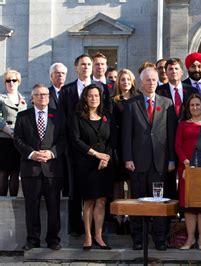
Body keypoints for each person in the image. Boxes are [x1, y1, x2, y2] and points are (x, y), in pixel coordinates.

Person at [122, 66, 177, 251]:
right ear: (141, 82)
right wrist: (128, 158)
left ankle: (160, 239)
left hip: (160, 163)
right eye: (148, 80)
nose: (151, 83)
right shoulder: (131, 104)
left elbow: (171, 135)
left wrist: (171, 160)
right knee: (138, 202)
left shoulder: (167, 103)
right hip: (137, 162)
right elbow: (126, 135)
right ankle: (138, 239)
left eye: (154, 80)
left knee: (159, 204)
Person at [60, 53, 111, 237]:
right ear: (76, 67)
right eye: (82, 64)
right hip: (75, 151)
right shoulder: (66, 91)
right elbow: (63, 120)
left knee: (100, 196)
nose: (86, 67)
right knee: (77, 191)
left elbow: (108, 120)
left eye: (89, 64)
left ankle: (99, 230)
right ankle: (76, 227)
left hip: (100, 153)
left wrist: (105, 154)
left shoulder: (103, 88)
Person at [14, 84, 66, 251]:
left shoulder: (58, 116)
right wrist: (32, 154)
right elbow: (18, 139)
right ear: (32, 98)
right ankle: (32, 240)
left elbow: (64, 139)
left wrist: (51, 153)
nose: (42, 97)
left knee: (53, 206)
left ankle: (53, 239)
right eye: (38, 94)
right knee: (31, 207)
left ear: (49, 97)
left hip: (52, 169)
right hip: (31, 168)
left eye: (45, 94)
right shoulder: (23, 116)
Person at [69, 84, 115, 251]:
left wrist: (106, 157)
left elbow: (113, 140)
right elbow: (76, 140)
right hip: (85, 164)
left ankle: (99, 236)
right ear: (85, 98)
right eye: (90, 96)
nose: (94, 98)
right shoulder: (77, 116)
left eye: (97, 95)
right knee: (88, 201)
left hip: (104, 165)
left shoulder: (107, 115)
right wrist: (97, 155)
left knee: (101, 201)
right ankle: (88, 236)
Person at [156, 58, 198, 202]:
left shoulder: (191, 90)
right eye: (170, 69)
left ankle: (184, 212)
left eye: (176, 68)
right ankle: (170, 216)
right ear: (166, 72)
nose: (173, 71)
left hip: (186, 142)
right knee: (168, 180)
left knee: (187, 179)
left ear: (181, 72)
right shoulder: (159, 91)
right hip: (165, 142)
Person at [175, 94, 201, 250]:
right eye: (192, 105)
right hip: (186, 168)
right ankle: (189, 239)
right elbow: (177, 146)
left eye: (197, 104)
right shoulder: (182, 125)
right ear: (188, 108)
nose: (195, 107)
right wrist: (186, 161)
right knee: (189, 206)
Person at [111, 69, 140, 234]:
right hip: (118, 147)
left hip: (134, 147)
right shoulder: (112, 101)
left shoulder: (138, 100)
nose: (125, 82)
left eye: (128, 79)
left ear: (133, 81)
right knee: (118, 185)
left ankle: (132, 217)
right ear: (118, 82)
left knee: (132, 184)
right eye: (122, 79)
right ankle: (119, 218)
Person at [0, 69, 27, 196]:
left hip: (19, 141)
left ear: (18, 82)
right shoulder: (1, 98)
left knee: (16, 172)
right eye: (8, 81)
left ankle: (13, 201)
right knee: (3, 172)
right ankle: (2, 202)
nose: (11, 83)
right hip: (4, 139)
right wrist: (11, 133)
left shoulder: (25, 100)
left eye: (14, 80)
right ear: (5, 83)